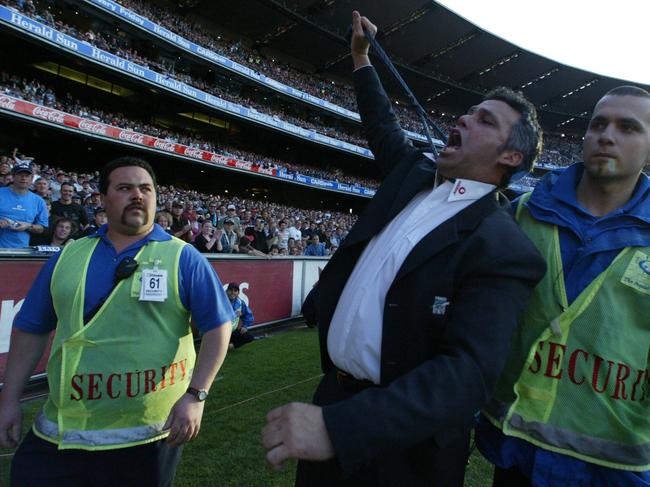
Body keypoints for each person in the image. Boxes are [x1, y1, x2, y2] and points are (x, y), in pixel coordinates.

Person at [261, 11, 547, 486]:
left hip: (405, 451)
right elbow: (380, 124)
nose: (463, 118)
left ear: (510, 156)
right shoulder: (412, 175)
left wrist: (342, 427)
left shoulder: (504, 247)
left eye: (484, 120)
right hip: (332, 398)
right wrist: (361, 58)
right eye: (468, 111)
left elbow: (466, 375)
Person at [0, 156, 234, 485]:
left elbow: (220, 326)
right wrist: (9, 400)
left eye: (145, 189)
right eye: (125, 188)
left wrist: (196, 395)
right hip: (60, 431)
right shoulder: (68, 255)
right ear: (104, 198)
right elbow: (30, 329)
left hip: (148, 435)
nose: (137, 195)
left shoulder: (184, 257)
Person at [476, 86, 650, 486]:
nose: (607, 135)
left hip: (612, 467)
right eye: (598, 124)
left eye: (628, 128)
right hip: (516, 451)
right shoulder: (521, 214)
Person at [0, 161, 48, 248]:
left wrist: (28, 226)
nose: (23, 178)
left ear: (32, 178)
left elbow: (42, 228)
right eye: (20, 175)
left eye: (27, 175)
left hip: (21, 251)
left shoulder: (38, 201)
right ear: (13, 177)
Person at [226, 283, 256, 349]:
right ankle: (221, 346)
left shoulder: (240, 302)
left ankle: (228, 347)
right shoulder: (220, 301)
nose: (232, 293)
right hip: (220, 332)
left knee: (249, 337)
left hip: (232, 331)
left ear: (238, 292)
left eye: (235, 291)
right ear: (227, 291)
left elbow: (248, 315)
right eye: (230, 290)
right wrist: (233, 314)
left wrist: (245, 326)